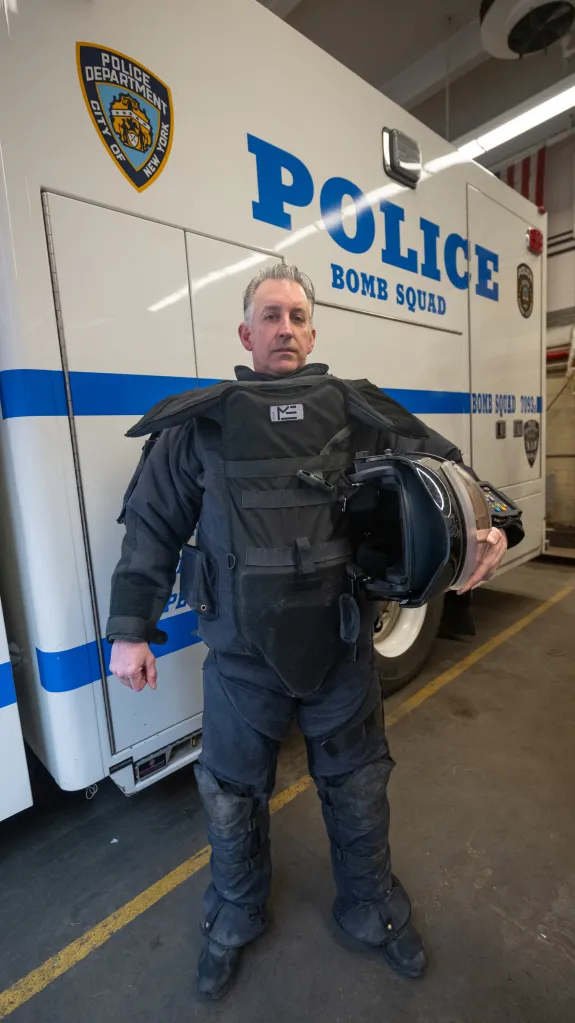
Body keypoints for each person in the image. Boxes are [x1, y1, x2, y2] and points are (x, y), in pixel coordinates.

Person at [107, 265, 519, 1000]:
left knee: (358, 787)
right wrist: (129, 629)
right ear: (245, 333)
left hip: (341, 647)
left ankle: (370, 910)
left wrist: (488, 528)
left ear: (312, 331)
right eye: (271, 315)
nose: (285, 328)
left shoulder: (358, 409)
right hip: (239, 656)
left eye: (297, 316)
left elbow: (450, 475)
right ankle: (233, 916)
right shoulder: (199, 422)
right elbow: (150, 529)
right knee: (231, 795)